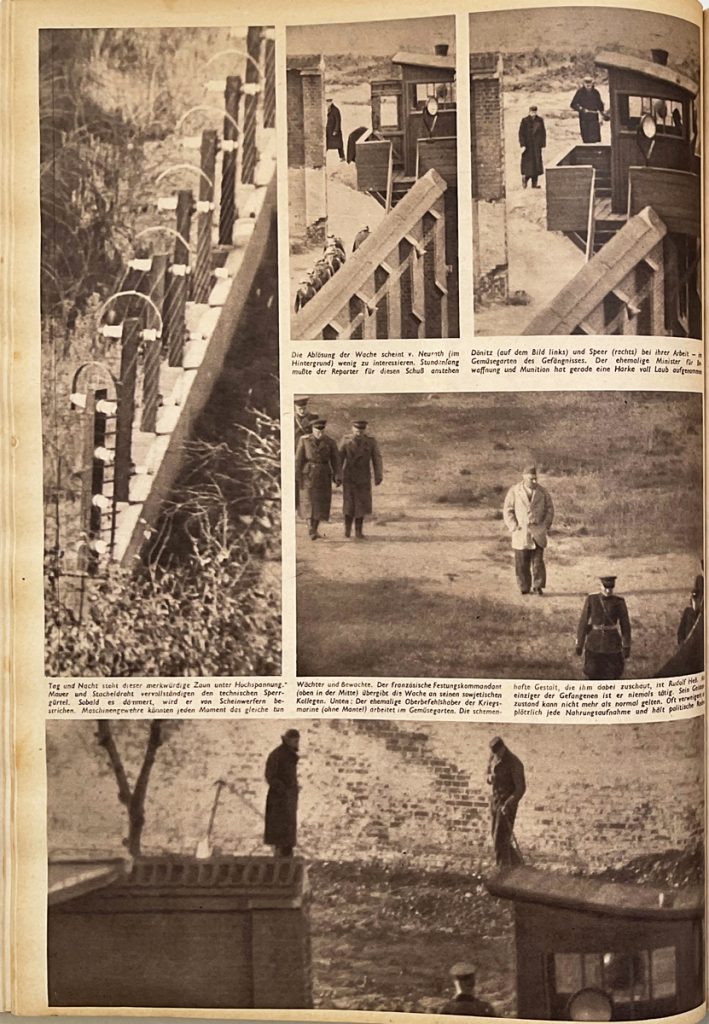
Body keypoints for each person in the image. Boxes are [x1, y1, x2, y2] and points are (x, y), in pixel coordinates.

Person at [502, 466, 554, 595]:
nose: (534, 481)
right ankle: (524, 587)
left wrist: (545, 525)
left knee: (538, 562)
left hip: (538, 532)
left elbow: (550, 509)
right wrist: (513, 526)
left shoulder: (543, 492)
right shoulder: (514, 491)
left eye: (535, 478)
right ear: (524, 477)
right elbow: (508, 510)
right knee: (521, 563)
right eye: (531, 479)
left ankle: (538, 586)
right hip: (521, 532)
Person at [576, 575, 631, 679]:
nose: (608, 590)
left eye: (610, 588)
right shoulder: (592, 599)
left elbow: (625, 625)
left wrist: (626, 645)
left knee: (613, 674)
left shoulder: (619, 602)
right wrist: (579, 644)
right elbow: (583, 622)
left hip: (612, 644)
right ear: (600, 586)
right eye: (605, 587)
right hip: (594, 643)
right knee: (592, 673)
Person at [295, 417, 341, 540]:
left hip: (324, 474)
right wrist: (297, 474)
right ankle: (310, 529)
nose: (319, 432)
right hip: (308, 474)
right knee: (308, 500)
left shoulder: (330, 442)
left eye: (321, 430)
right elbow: (298, 459)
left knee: (320, 503)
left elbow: (336, 460)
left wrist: (337, 475)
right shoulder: (304, 440)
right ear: (312, 429)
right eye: (317, 430)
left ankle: (314, 529)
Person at [339, 419, 383, 539]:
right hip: (348, 476)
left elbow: (377, 459)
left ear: (365, 430)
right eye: (357, 430)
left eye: (361, 430)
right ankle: (347, 531)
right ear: (353, 429)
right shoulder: (346, 440)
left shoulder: (370, 442)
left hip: (363, 477)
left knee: (361, 505)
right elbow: (339, 458)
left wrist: (378, 475)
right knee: (348, 504)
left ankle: (359, 531)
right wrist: (337, 475)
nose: (359, 432)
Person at [487, 737, 526, 867]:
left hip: (507, 805)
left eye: (498, 753)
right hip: (495, 802)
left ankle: (502, 872)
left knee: (500, 840)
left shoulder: (514, 763)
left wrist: (508, 804)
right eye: (494, 753)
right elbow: (487, 772)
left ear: (503, 748)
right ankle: (518, 867)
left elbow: (520, 789)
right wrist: (489, 778)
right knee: (497, 838)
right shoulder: (493, 758)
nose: (496, 756)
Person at [264, 729, 300, 857]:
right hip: (278, 801)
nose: (297, 744)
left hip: (287, 800)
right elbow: (270, 776)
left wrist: (293, 791)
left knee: (287, 833)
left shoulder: (289, 755)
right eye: (295, 741)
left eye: (298, 741)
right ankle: (280, 860)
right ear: (288, 740)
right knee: (279, 832)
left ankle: (286, 857)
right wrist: (284, 790)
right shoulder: (278, 755)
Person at [570, 76, 605, 143]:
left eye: (590, 83)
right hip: (584, 119)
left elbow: (600, 105)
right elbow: (573, 104)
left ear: (592, 83)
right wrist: (582, 109)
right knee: (586, 139)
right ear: (583, 83)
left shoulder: (596, 92)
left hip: (594, 119)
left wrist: (602, 116)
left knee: (595, 139)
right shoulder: (580, 92)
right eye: (586, 83)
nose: (588, 85)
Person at [518, 106, 546, 188]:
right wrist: (522, 145)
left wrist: (542, 144)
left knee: (536, 165)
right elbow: (521, 134)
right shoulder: (525, 121)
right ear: (529, 112)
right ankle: (525, 180)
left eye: (534, 111)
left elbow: (543, 133)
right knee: (528, 165)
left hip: (536, 146)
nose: (533, 113)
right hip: (528, 146)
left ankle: (534, 184)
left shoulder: (540, 120)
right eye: (532, 111)